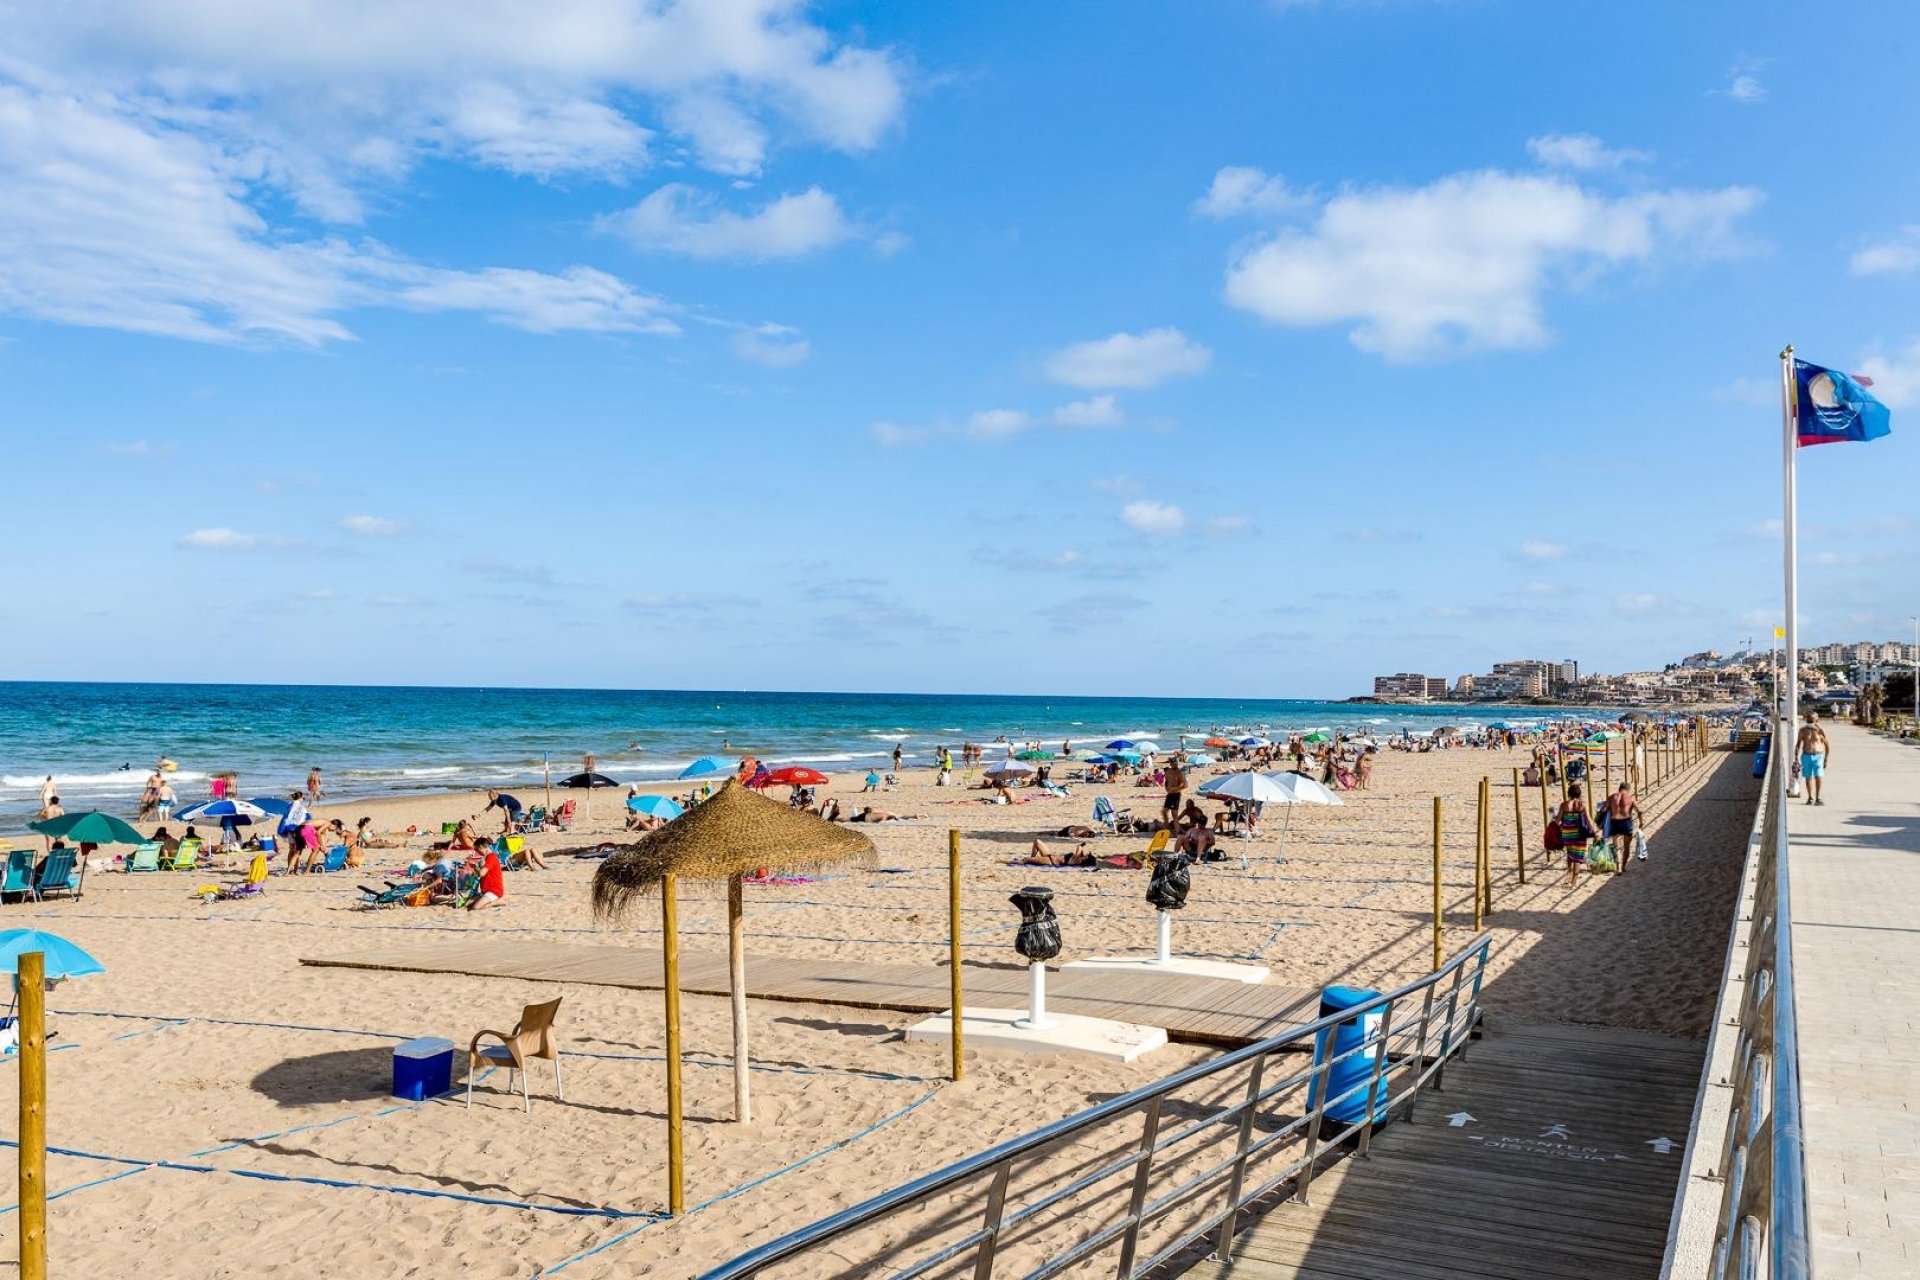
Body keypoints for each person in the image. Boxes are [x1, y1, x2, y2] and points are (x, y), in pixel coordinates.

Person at [1557, 784, 1597, 887]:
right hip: (1579, 834)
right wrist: (1594, 832)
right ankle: (1574, 881)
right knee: (1577, 858)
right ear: (1579, 794)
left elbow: (1558, 819)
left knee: (1570, 854)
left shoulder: (1564, 804)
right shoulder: (1582, 804)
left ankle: (1569, 874)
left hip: (1567, 834)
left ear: (1569, 793)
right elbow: (1588, 819)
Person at [1605, 781, 1643, 870]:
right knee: (1626, 847)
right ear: (1628, 789)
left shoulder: (1611, 797)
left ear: (1619, 788)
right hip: (1626, 822)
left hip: (1615, 822)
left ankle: (1617, 867)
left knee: (1616, 846)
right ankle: (1623, 867)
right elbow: (1639, 811)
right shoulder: (1631, 798)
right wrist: (1641, 822)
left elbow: (1603, 810)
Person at [1795, 717, 1830, 805]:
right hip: (1806, 756)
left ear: (1817, 720)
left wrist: (1826, 759)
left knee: (1818, 776)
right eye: (1808, 720)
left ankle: (1818, 798)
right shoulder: (1802, 730)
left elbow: (1827, 745)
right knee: (1808, 776)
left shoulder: (1820, 731)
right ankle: (1810, 797)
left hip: (1818, 756)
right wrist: (1796, 757)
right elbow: (1798, 744)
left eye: (1812, 720)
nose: (1810, 722)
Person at [1161, 760, 1187, 825]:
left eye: (1175, 764)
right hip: (1170, 794)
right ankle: (1167, 827)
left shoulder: (1179, 773)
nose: (1174, 765)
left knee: (1174, 814)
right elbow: (1167, 786)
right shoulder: (1169, 773)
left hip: (1175, 794)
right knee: (1164, 812)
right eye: (1172, 764)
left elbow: (1184, 785)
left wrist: (1174, 789)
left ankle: (1176, 831)